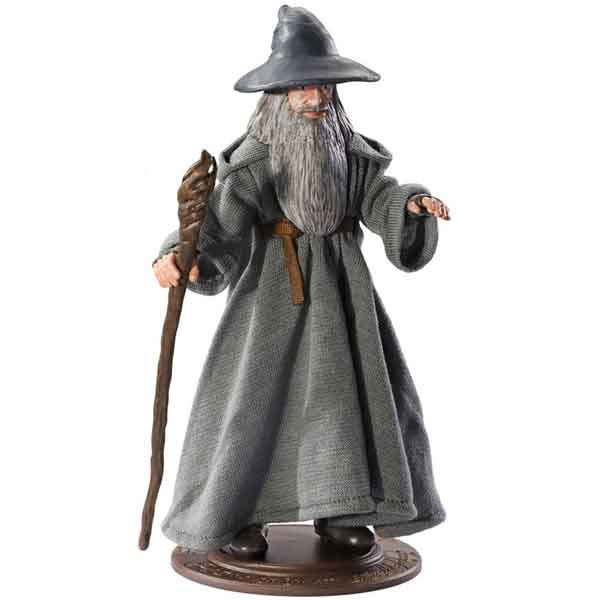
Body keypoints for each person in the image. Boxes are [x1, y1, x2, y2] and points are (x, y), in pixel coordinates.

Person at [153, 5, 449, 559]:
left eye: (323, 87)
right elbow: (219, 225)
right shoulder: (252, 164)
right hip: (269, 302)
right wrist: (181, 255)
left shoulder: (351, 154)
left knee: (345, 403)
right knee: (254, 407)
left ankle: (343, 509)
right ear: (277, 96)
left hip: (343, 298)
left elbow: (378, 197)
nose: (314, 99)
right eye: (301, 88)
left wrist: (409, 204)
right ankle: (240, 515)